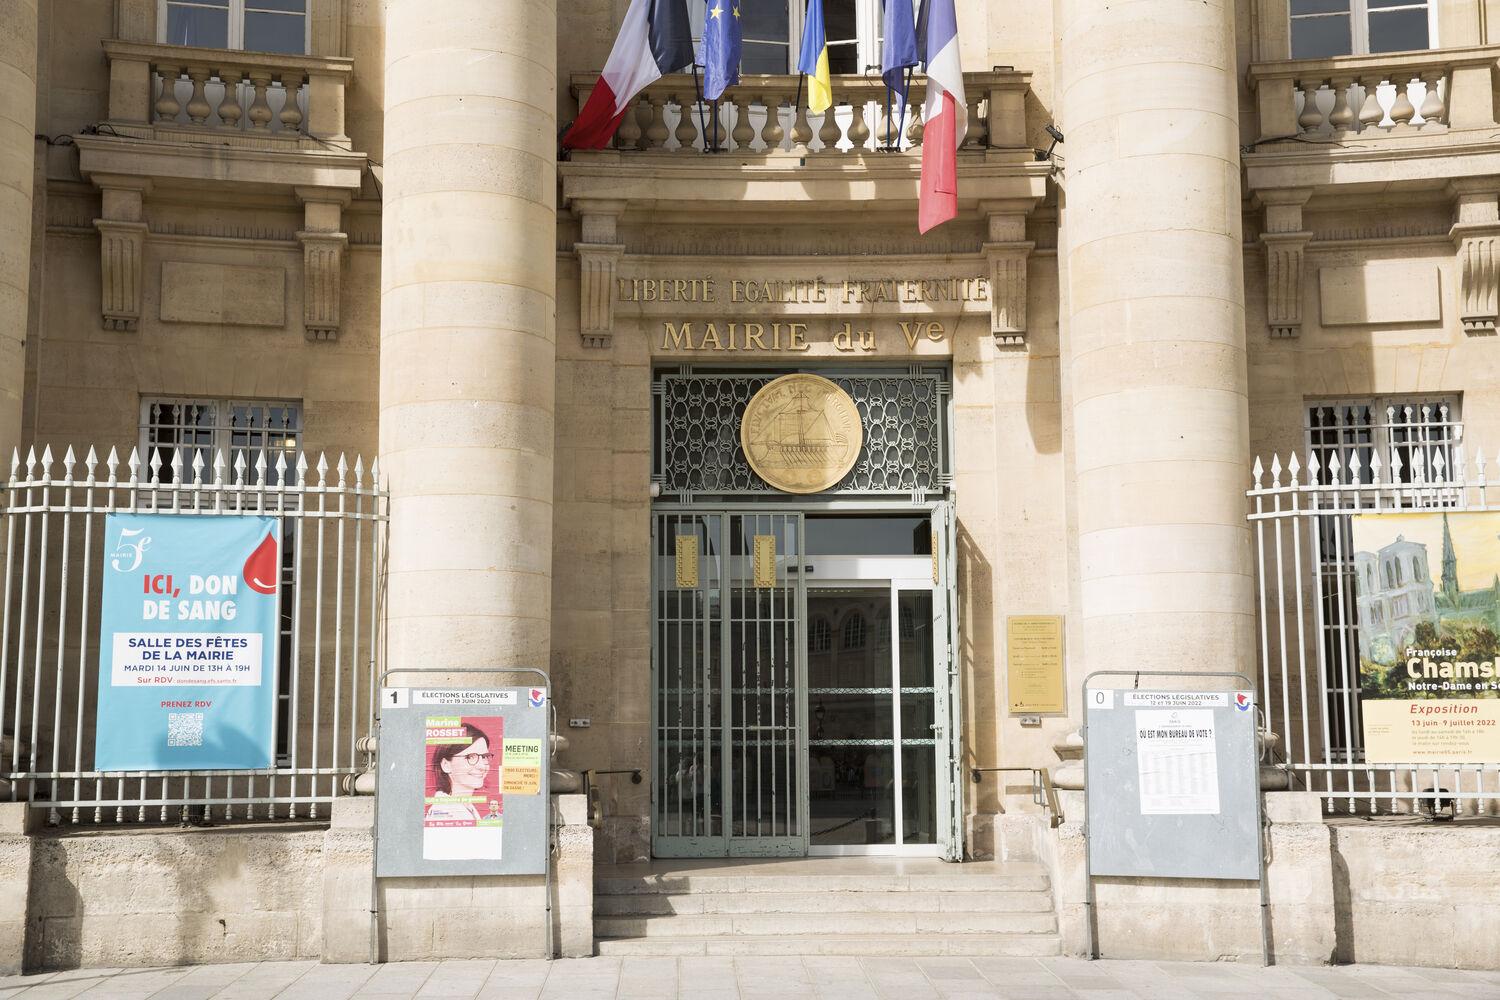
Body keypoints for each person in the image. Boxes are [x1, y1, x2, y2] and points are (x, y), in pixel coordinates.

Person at [425, 723, 494, 823]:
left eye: (484, 756)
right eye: (470, 757)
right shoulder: (444, 814)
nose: (482, 766)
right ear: (446, 765)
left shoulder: (466, 808)